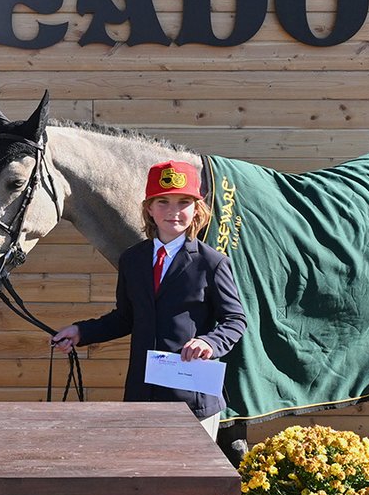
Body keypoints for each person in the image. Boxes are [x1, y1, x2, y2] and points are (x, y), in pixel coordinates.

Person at [51, 159, 246, 439]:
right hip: (142, 396)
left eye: (183, 202)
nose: (173, 211)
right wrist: (82, 332)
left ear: (196, 209)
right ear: (149, 209)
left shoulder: (211, 263)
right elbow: (125, 318)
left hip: (193, 400)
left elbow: (234, 320)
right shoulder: (132, 260)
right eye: (163, 202)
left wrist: (208, 342)